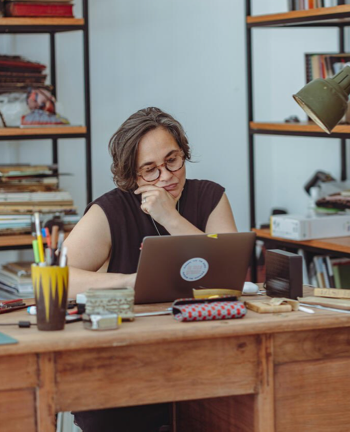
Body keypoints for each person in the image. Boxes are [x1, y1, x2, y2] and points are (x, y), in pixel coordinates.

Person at [64, 107, 238, 432]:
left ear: (183, 153)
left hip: (202, 360)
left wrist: (170, 217)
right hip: (124, 365)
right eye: (150, 170)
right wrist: (131, 281)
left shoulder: (210, 197)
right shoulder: (111, 210)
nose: (166, 176)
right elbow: (56, 279)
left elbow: (228, 274)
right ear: (132, 176)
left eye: (173, 160)